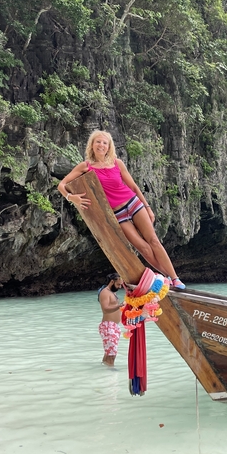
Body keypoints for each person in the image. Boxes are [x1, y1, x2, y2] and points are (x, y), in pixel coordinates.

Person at [58, 130, 185, 290]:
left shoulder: (117, 163)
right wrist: (72, 198)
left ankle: (175, 278)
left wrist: (147, 207)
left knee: (153, 241)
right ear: (92, 144)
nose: (101, 145)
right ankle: (167, 277)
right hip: (117, 214)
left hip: (133, 203)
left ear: (109, 146)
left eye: (105, 143)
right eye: (98, 142)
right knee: (143, 248)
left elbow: (133, 186)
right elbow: (61, 185)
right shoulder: (86, 166)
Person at [97, 272, 125, 367]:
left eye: (121, 285)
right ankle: (111, 374)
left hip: (114, 326)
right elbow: (105, 309)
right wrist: (120, 305)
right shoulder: (105, 292)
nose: (120, 287)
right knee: (111, 354)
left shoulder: (112, 292)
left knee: (109, 352)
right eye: (118, 284)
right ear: (112, 282)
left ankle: (104, 369)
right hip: (108, 326)